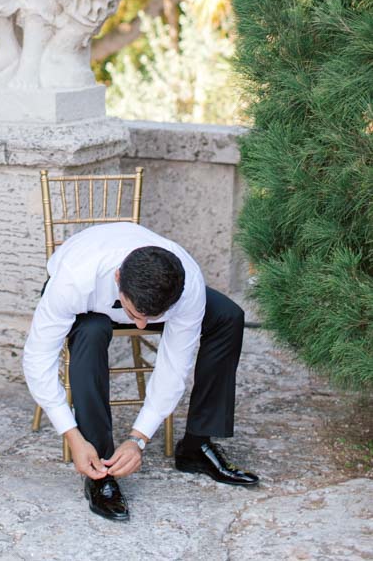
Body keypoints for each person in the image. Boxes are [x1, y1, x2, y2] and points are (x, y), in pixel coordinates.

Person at [23, 221, 259, 522]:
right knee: (91, 333)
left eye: (152, 319)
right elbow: (37, 359)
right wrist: (71, 435)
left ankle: (196, 446)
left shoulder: (188, 285)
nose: (141, 328)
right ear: (119, 278)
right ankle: (99, 469)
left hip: (148, 289)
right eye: (135, 316)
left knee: (228, 316)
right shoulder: (73, 281)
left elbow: (174, 366)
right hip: (92, 302)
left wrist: (139, 438)